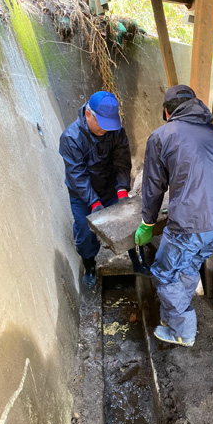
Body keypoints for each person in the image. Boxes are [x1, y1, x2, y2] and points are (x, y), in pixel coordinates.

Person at [135, 84, 213, 347]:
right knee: (189, 264)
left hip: (191, 224)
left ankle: (183, 330)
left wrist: (148, 222)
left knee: (164, 272)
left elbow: (153, 186)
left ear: (167, 113)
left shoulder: (161, 136)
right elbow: (211, 176)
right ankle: (172, 318)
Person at [59, 91, 150, 288]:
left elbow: (122, 164)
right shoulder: (71, 138)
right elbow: (77, 175)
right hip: (83, 194)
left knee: (131, 221)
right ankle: (89, 264)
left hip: (110, 187)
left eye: (109, 124)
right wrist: (94, 203)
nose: (105, 130)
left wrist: (122, 192)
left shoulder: (116, 132)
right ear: (88, 114)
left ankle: (137, 259)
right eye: (102, 124)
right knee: (85, 231)